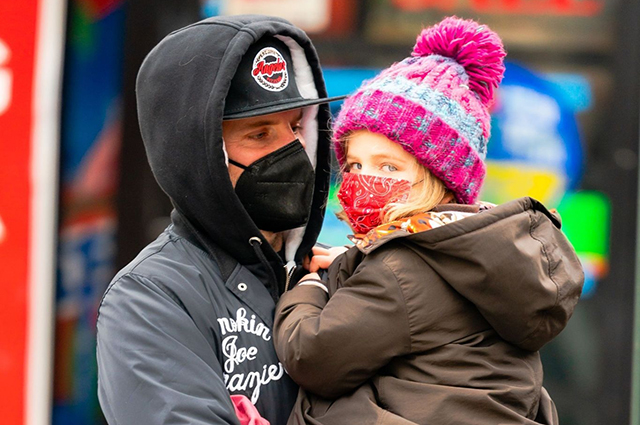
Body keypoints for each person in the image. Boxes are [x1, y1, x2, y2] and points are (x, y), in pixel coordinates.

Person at [273, 16, 585, 425]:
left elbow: (311, 356)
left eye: (389, 168)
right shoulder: (471, 254)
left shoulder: (400, 268)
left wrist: (309, 289)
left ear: (444, 180)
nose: (365, 180)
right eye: (353, 164)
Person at [96, 14, 344, 425]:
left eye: (296, 127)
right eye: (259, 134)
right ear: (200, 155)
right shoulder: (150, 300)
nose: (294, 151)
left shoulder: (322, 276)